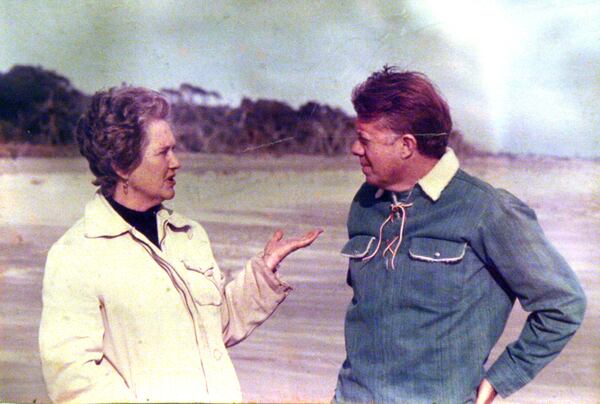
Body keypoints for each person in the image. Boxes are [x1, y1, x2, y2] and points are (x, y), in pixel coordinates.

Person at [38, 86, 321, 403]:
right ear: (121, 166)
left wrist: (263, 272)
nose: (177, 162)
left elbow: (215, 327)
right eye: (163, 152)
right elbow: (73, 379)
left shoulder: (189, 234)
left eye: (173, 149)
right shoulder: (76, 254)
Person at [333, 66, 586, 403]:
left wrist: (500, 379)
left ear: (407, 145)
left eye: (365, 140)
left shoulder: (487, 209)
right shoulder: (365, 204)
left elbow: (563, 304)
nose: (354, 149)